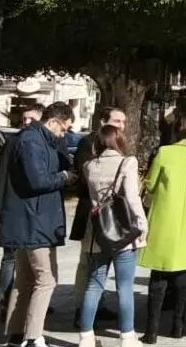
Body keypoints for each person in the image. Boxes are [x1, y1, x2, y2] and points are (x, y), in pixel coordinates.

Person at [0, 102, 77, 347]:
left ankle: (15, 333)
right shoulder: (32, 141)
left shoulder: (37, 139)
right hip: (35, 220)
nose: (64, 134)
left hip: (32, 220)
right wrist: (64, 177)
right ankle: (33, 336)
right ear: (53, 122)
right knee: (46, 279)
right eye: (64, 129)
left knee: (24, 280)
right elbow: (37, 180)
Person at [139, 110, 186, 344]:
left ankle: (151, 330)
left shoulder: (165, 152)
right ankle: (178, 325)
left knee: (159, 276)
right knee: (184, 275)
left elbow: (150, 184)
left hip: (164, 220)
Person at [77, 125, 147, 347]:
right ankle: (127, 337)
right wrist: (142, 224)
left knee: (94, 284)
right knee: (124, 287)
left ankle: (85, 336)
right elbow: (133, 198)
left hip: (99, 232)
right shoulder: (128, 162)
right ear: (118, 141)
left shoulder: (88, 166)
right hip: (123, 232)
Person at [70, 106, 127, 329]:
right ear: (103, 121)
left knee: (103, 262)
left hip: (113, 214)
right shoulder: (89, 143)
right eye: (116, 120)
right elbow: (85, 176)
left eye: (123, 122)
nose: (121, 125)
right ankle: (81, 309)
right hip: (93, 212)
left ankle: (98, 304)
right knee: (87, 262)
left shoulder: (117, 142)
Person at [0, 102, 44, 322]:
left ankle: (33, 301)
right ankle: (6, 303)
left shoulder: (46, 142)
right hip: (12, 209)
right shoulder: (13, 142)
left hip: (36, 212)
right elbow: (0, 175)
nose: (26, 122)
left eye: (32, 118)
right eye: (24, 118)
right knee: (10, 258)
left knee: (33, 260)